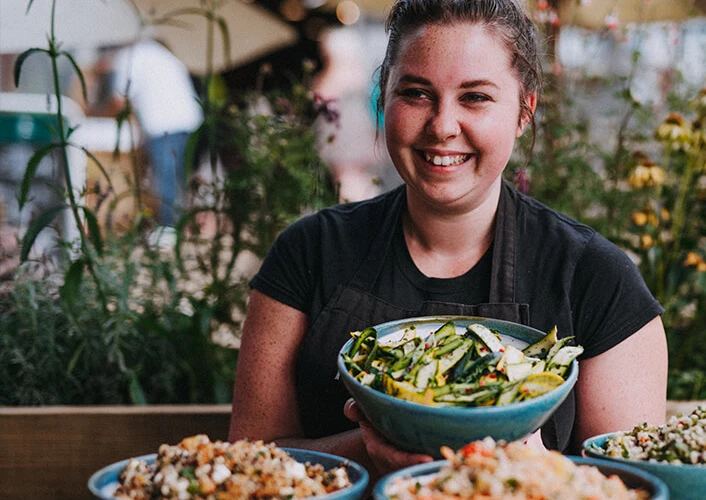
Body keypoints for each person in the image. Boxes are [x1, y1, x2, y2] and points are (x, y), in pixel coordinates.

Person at [229, 0, 668, 478]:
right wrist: (369, 448)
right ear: (384, 97)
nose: (442, 125)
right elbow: (250, 463)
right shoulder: (308, 253)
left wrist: (529, 463)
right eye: (416, 93)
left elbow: (630, 484)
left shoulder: (597, 278)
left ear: (524, 111)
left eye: (475, 97)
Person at [109, 37, 203, 247]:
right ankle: (180, 226)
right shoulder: (159, 52)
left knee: (165, 175)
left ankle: (169, 229)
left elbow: (119, 100)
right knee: (177, 174)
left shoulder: (128, 56)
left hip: (163, 122)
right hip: (187, 119)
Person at [312, 26, 401, 202]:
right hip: (365, 139)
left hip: (347, 142)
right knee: (363, 181)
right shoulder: (364, 72)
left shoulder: (341, 72)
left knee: (349, 181)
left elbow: (321, 98)